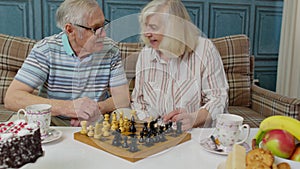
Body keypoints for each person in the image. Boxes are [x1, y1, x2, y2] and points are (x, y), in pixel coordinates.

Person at [4, 0, 130, 126]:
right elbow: (12, 98)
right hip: (52, 124)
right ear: (70, 30)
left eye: (103, 25)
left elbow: (123, 99)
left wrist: (93, 109)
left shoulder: (110, 50)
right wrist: (69, 108)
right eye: (95, 29)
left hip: (95, 123)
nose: (103, 34)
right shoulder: (46, 49)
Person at [131, 0, 229, 131]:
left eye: (153, 28)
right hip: (157, 132)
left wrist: (193, 118)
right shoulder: (145, 54)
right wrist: (148, 124)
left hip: (196, 132)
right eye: (146, 26)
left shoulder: (205, 50)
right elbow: (138, 100)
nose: (146, 33)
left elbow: (218, 98)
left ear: (174, 29)